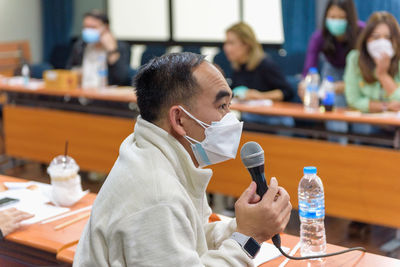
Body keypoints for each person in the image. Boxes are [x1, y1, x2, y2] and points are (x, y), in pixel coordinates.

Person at [74, 52, 292, 266]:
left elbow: (191, 238)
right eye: (222, 106)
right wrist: (249, 238)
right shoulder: (158, 196)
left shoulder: (155, 151)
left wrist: (244, 225)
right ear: (179, 119)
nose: (231, 119)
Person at [299, 0, 364, 143]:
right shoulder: (319, 36)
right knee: (335, 111)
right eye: (332, 17)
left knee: (361, 118)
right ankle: (338, 150)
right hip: (332, 72)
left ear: (349, 18)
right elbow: (309, 69)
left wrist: (349, 85)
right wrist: (305, 85)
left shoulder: (362, 32)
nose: (336, 21)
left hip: (358, 74)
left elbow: (366, 70)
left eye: (340, 17)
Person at [223, 22, 294, 128]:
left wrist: (260, 96)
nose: (226, 48)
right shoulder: (238, 67)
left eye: (231, 43)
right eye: (226, 43)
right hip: (251, 118)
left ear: (246, 45)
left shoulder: (266, 65)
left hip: (274, 121)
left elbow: (287, 92)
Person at [344, 12, 400, 134]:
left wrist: (383, 75)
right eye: (376, 37)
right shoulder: (355, 59)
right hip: (368, 122)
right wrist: (385, 106)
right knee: (362, 128)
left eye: (388, 38)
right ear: (366, 39)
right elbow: (353, 100)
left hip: (396, 126)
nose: (382, 42)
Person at [67, 10, 131, 87]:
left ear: (106, 27)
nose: (88, 31)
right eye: (85, 27)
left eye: (93, 27)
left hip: (106, 95)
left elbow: (121, 79)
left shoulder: (120, 47)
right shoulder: (80, 45)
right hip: (82, 92)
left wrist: (112, 50)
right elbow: (69, 70)